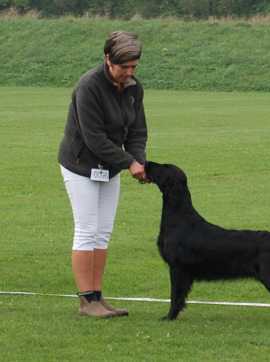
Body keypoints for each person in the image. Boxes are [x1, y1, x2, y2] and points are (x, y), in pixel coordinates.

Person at [58, 31, 148, 318]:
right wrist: (129, 163)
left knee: (103, 232)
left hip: (109, 167)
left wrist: (139, 160)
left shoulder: (134, 88)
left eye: (134, 67)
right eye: (124, 67)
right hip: (81, 163)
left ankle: (98, 297)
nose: (129, 73)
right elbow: (94, 138)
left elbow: (137, 131)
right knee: (87, 230)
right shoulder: (89, 87)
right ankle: (87, 302)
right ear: (108, 59)